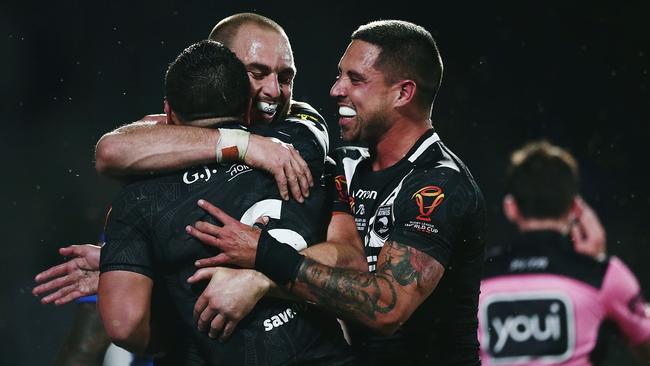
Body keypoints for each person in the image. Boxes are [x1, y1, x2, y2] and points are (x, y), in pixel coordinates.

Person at [185, 20, 486, 365]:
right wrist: (244, 143)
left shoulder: (440, 184)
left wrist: (262, 267)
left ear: (403, 93)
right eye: (339, 75)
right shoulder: (341, 164)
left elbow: (387, 307)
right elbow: (139, 140)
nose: (335, 89)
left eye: (355, 80)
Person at [98, 39, 354, 365]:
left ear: (168, 112)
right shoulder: (301, 148)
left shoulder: (135, 197)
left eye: (284, 77)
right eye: (258, 73)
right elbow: (350, 261)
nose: (272, 92)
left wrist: (182, 322)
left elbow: (124, 324)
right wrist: (243, 143)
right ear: (247, 103)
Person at [477, 140, 650, 365]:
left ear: (511, 208)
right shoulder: (602, 275)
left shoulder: (475, 278)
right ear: (575, 208)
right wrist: (599, 262)